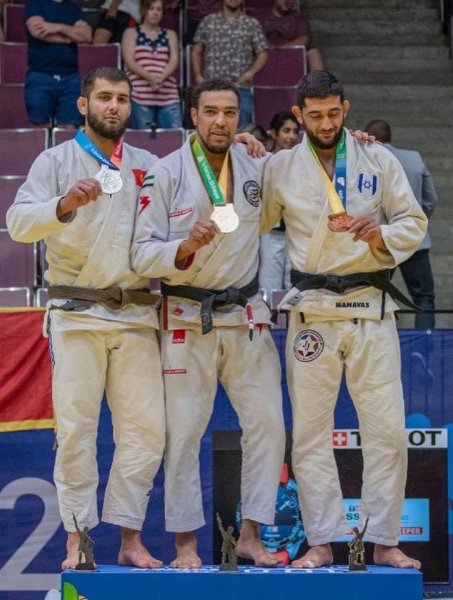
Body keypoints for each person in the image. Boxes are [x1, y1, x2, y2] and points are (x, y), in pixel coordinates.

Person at [261, 70, 427, 569]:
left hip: (370, 307)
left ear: (346, 109)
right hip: (312, 311)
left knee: (388, 431)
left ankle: (384, 539)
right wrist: (247, 153)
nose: (326, 123)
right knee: (311, 433)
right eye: (315, 115)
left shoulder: (377, 158)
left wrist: (380, 235)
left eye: (334, 113)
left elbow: (414, 222)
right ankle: (321, 540)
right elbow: (255, 221)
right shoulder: (279, 168)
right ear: (298, 115)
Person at [6, 67, 166, 570]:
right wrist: (63, 205)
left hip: (134, 312)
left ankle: (130, 538)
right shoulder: (54, 161)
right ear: (83, 105)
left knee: (146, 432)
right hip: (75, 313)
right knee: (77, 431)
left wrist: (246, 148)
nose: (113, 106)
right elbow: (17, 224)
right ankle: (77, 540)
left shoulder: (148, 165)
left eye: (122, 98)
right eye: (104, 97)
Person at [132, 78, 285, 569]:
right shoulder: (166, 172)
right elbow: (140, 254)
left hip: (245, 314)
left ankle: (251, 536)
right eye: (211, 111)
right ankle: (185, 545)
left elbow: (307, 170)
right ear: (193, 115)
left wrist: (360, 141)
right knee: (183, 434)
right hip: (185, 316)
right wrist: (184, 247)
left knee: (269, 426)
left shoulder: (257, 167)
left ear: (239, 118)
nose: (221, 121)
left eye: (229, 112)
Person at [364, 119, 438, 330]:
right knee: (424, 298)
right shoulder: (414, 158)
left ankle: (371, 340)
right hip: (414, 241)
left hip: (379, 240)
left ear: (368, 136)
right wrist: (416, 223)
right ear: (390, 136)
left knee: (372, 295)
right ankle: (424, 345)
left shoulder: (365, 160)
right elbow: (431, 199)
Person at [191, 0, 268, 128]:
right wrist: (198, 76)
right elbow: (196, 50)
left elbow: (262, 53)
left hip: (240, 89)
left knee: (242, 132)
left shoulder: (251, 24)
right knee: (210, 130)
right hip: (211, 89)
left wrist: (250, 73)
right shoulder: (208, 22)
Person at [25, 0, 92, 128]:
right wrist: (69, 37)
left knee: (70, 127)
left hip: (70, 76)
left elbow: (87, 36)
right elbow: (37, 31)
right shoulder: (36, 4)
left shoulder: (73, 8)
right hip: (41, 74)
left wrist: (57, 27)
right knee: (40, 127)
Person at [259, 111, 300, 301]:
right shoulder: (263, 161)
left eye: (295, 131)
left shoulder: (303, 162)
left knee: (295, 284)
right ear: (274, 133)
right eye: (286, 130)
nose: (291, 136)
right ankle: (269, 319)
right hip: (271, 232)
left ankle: (294, 320)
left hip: (296, 232)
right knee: (269, 285)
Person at [122, 0, 182, 129]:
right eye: (151, 9)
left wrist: (160, 78)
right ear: (143, 10)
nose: (155, 13)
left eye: (159, 9)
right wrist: (150, 78)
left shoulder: (171, 34)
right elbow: (129, 60)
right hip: (139, 95)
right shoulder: (131, 33)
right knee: (142, 138)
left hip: (168, 94)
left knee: (175, 136)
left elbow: (174, 60)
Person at [256, 0, 324, 72]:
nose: (287, 1)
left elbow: (303, 39)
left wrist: (280, 48)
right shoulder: (260, 15)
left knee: (313, 52)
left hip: (290, 52)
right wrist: (266, 46)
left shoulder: (298, 18)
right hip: (263, 51)